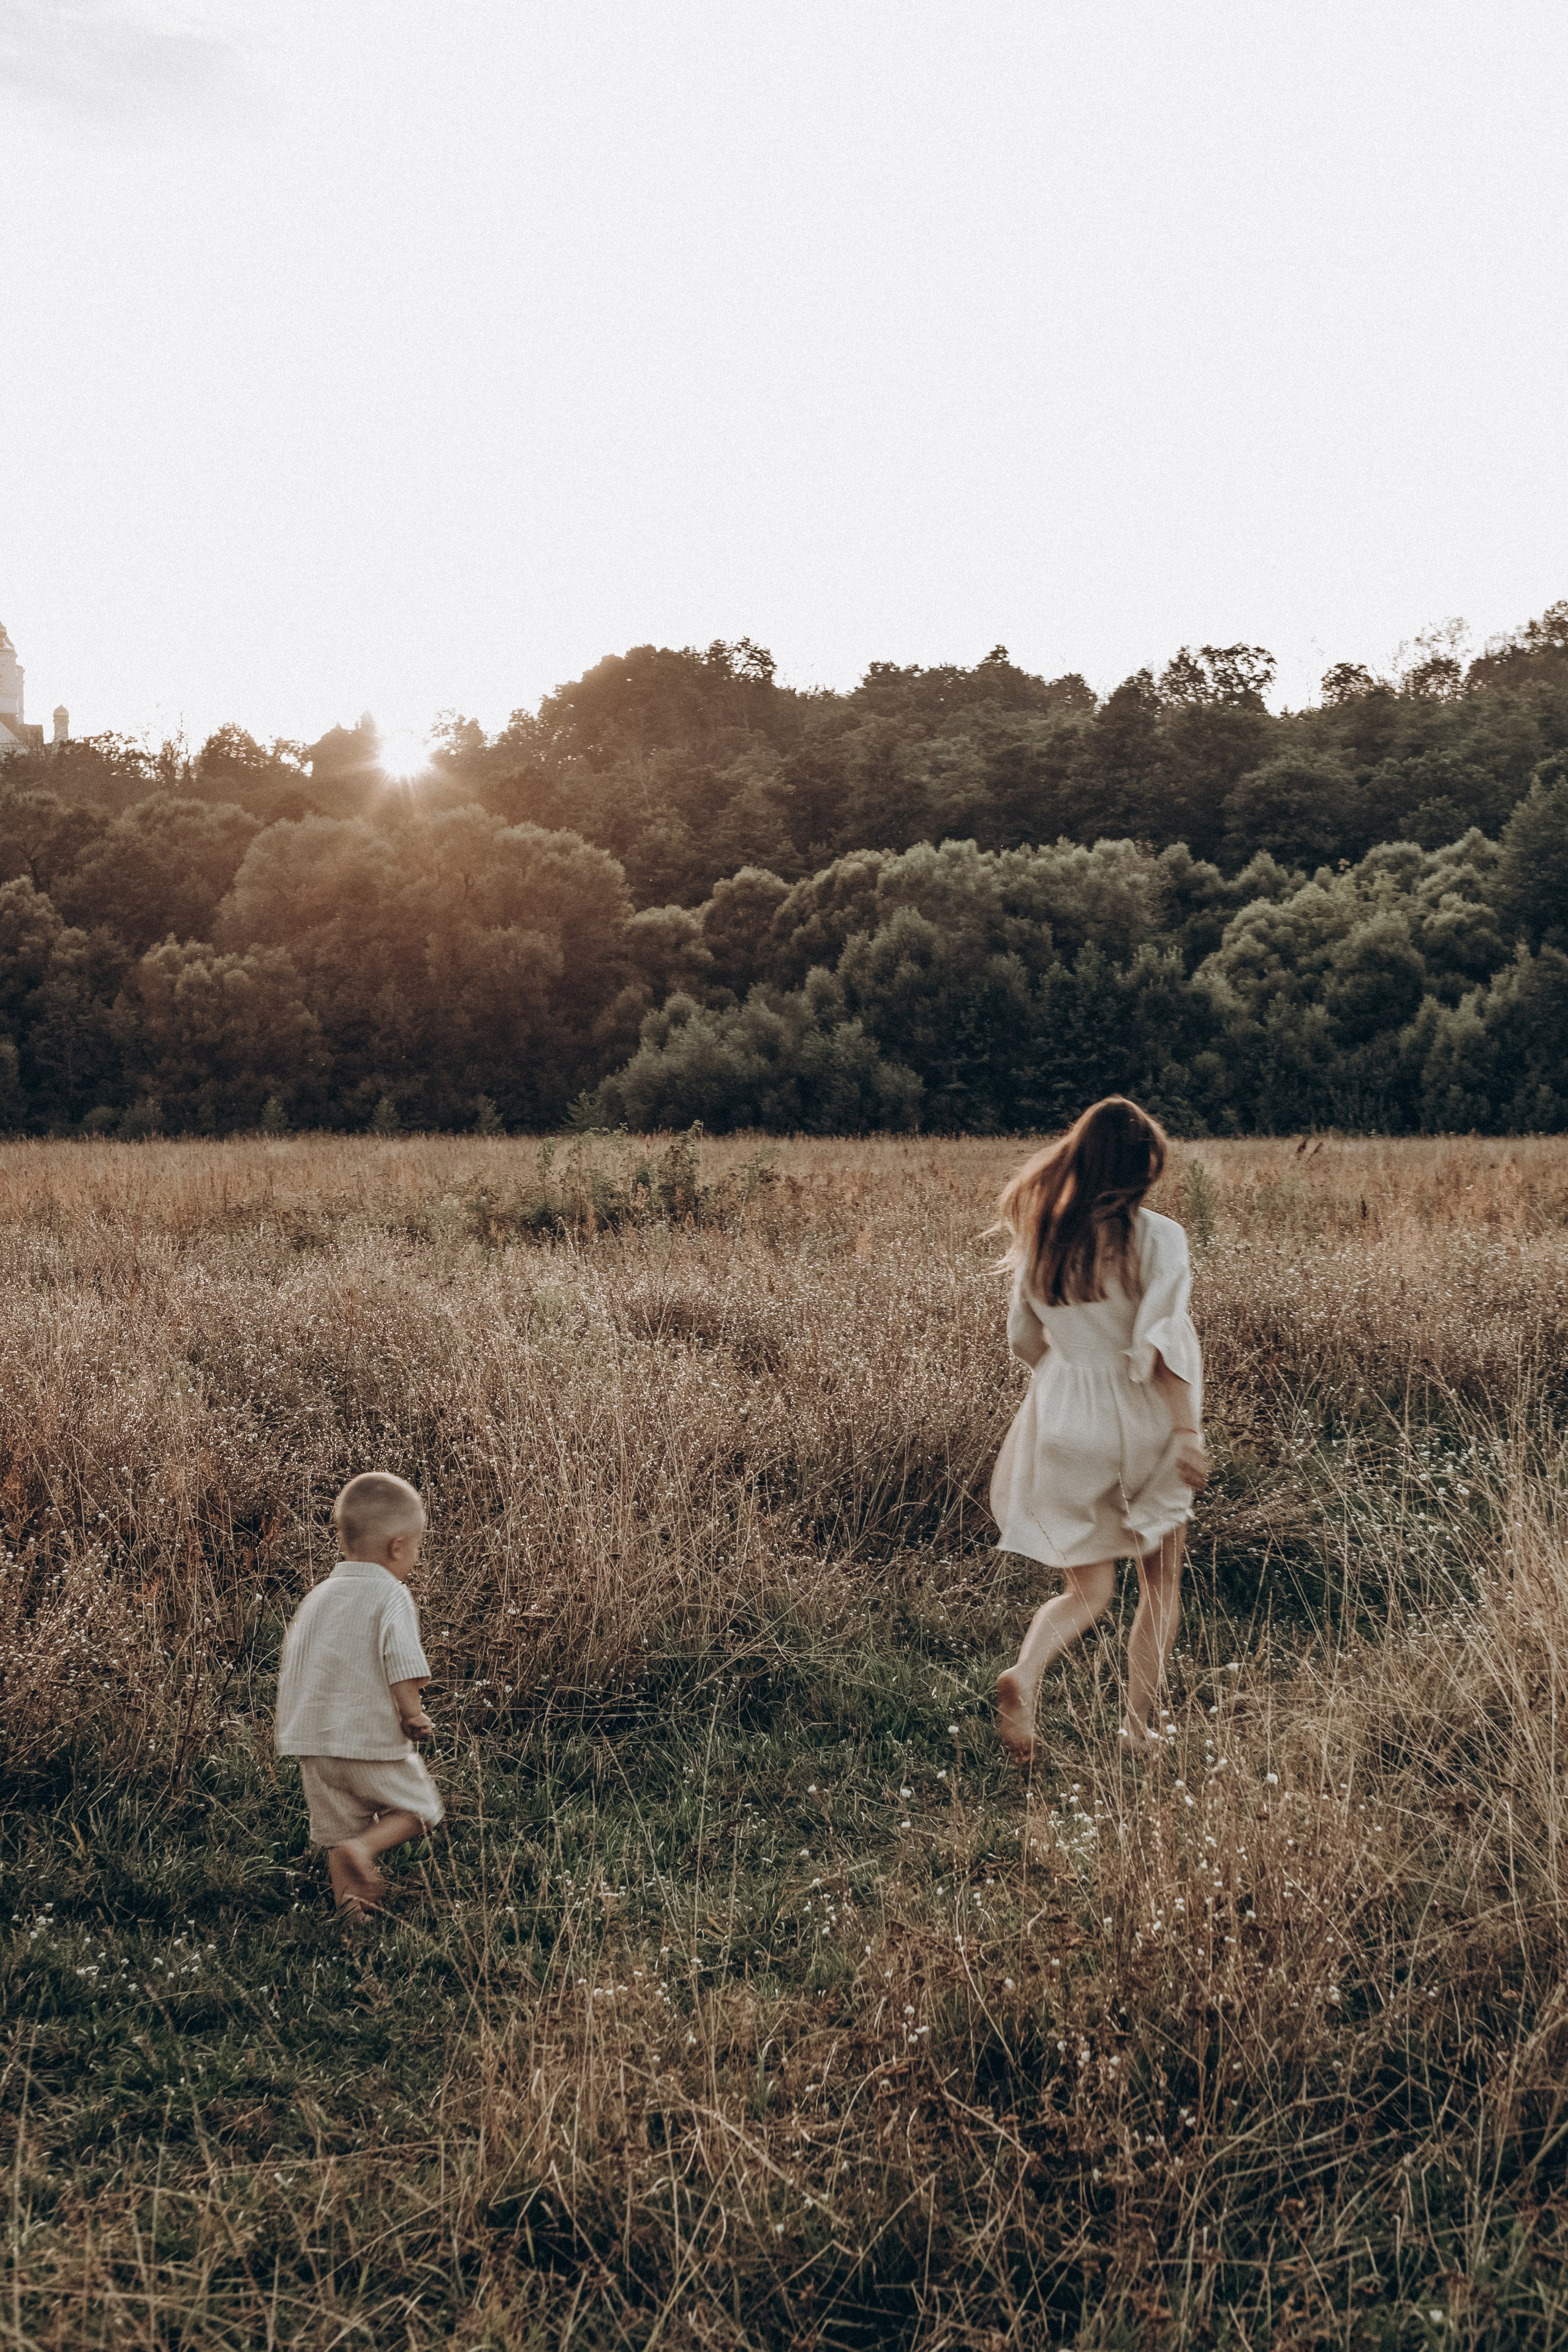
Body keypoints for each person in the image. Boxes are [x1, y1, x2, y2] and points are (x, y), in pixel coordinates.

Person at [989, 1096, 1207, 1763]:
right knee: (1159, 1583)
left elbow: (1022, 1339)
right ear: (1142, 1167)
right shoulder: (1157, 1237)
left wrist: (1068, 1381)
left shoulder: (1044, 1237)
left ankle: (1024, 1675)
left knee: (1085, 1591)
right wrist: (1185, 1431)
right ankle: (1137, 1729)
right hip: (1141, 1417)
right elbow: (1162, 1340)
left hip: (1060, 1419)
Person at [276, 1471, 444, 1912]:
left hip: (313, 1746)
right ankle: (363, 1853)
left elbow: (296, 1661)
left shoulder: (318, 1597)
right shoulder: (390, 1595)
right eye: (417, 1547)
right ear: (398, 1547)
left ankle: (353, 1919)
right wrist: (411, 1714)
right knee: (420, 1809)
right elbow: (402, 1663)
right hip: (366, 1741)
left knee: (341, 1835)